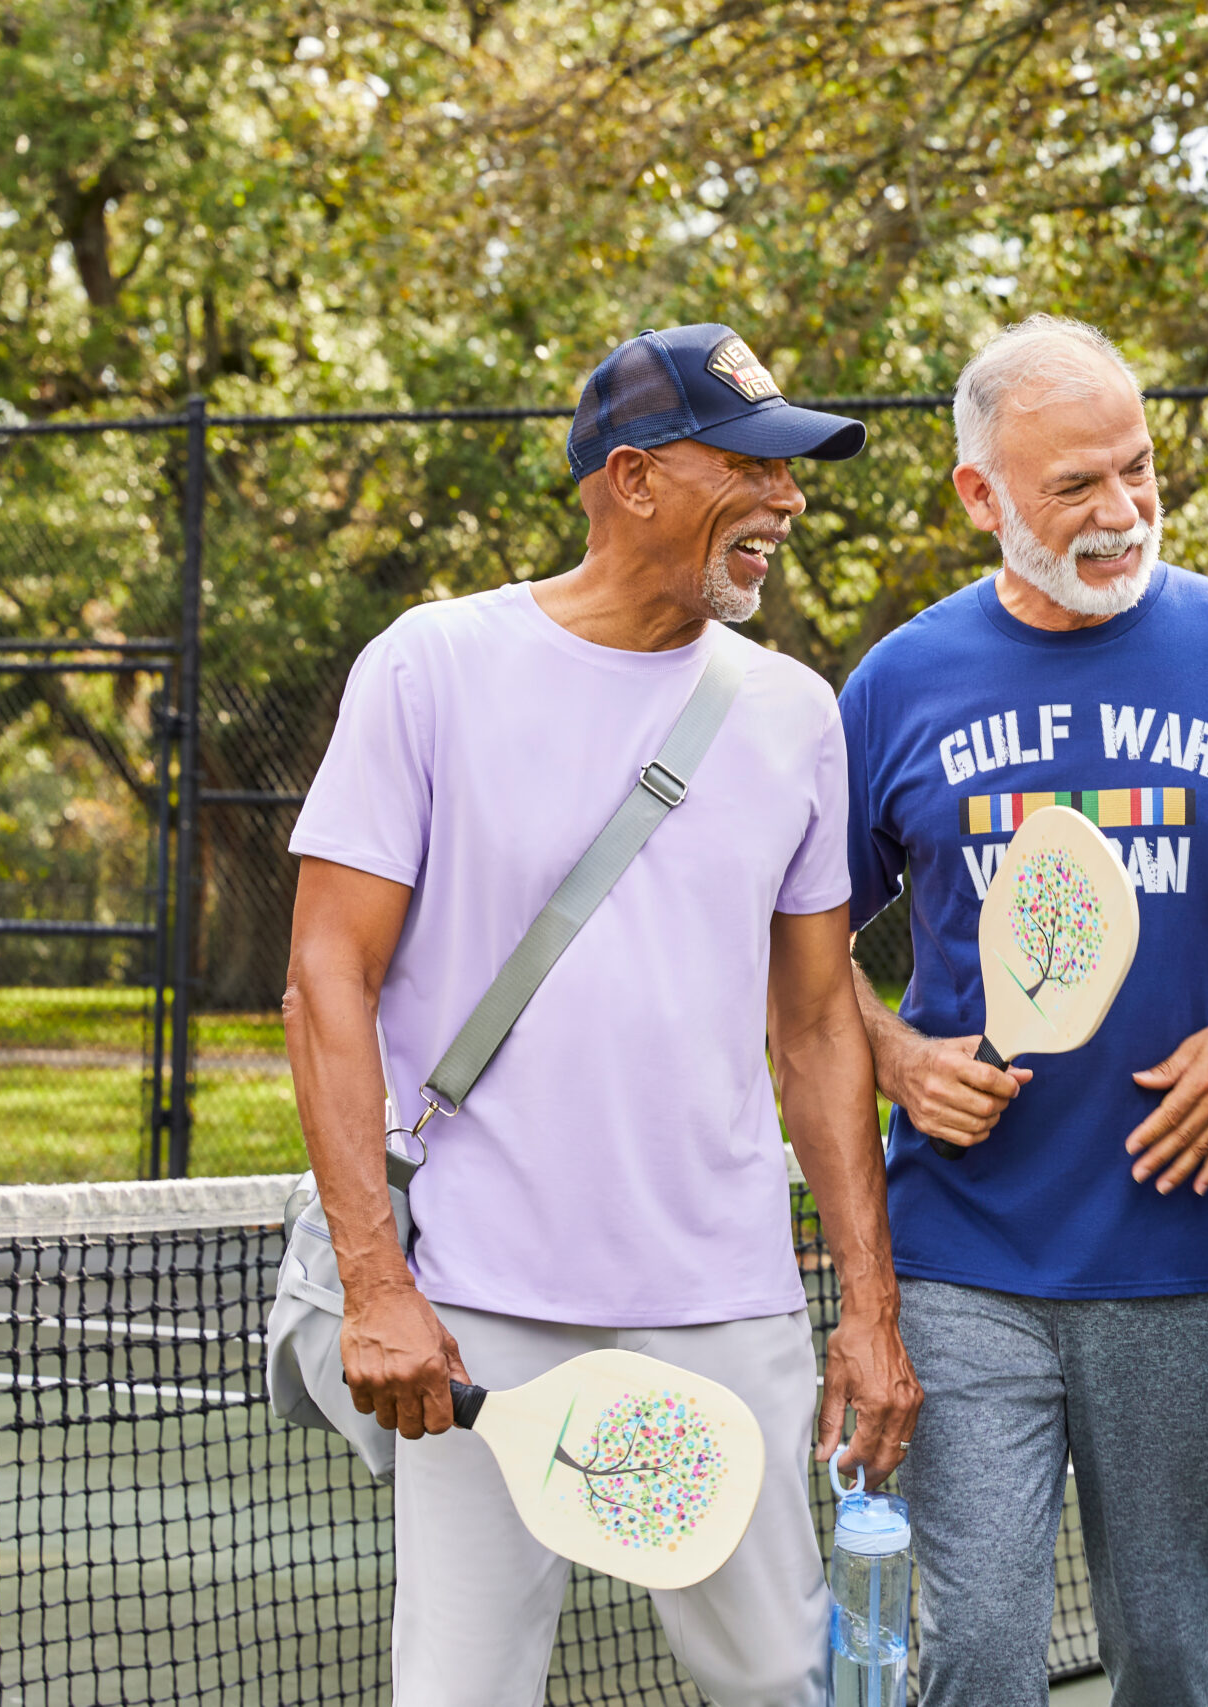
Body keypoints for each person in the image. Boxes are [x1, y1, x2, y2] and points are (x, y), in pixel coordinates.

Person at [284, 323, 922, 1707]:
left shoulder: (793, 711)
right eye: (753, 465)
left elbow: (817, 1028)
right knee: (462, 1694)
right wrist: (378, 1281)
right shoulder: (429, 665)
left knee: (776, 1683)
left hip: (724, 1295)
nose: (788, 499)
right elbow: (324, 978)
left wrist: (865, 1305)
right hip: (474, 1303)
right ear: (632, 479)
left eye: (792, 471)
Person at [838, 315, 1208, 1706]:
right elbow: (796, 938)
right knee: (980, 1650)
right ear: (982, 497)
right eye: (1076, 487)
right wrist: (894, 1048)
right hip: (963, 1255)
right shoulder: (898, 683)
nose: (1123, 514)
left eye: (1141, 470)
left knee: (1177, 1652)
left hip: (1189, 1263)